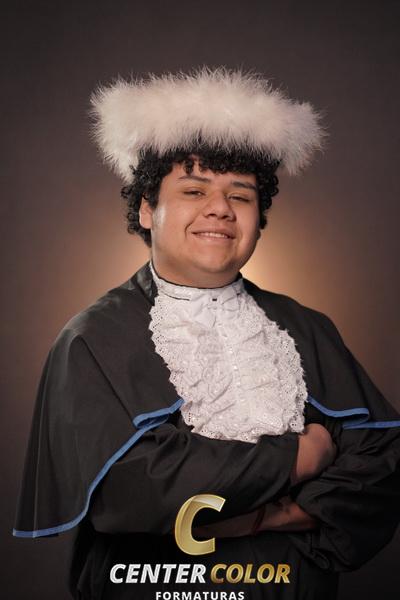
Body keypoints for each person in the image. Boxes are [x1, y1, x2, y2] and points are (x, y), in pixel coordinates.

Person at [13, 68, 400, 600]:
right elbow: (136, 489)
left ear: (259, 216)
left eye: (240, 195)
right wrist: (299, 458)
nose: (220, 208)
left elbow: (381, 460)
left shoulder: (306, 326)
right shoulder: (91, 338)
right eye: (194, 190)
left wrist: (271, 516)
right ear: (147, 209)